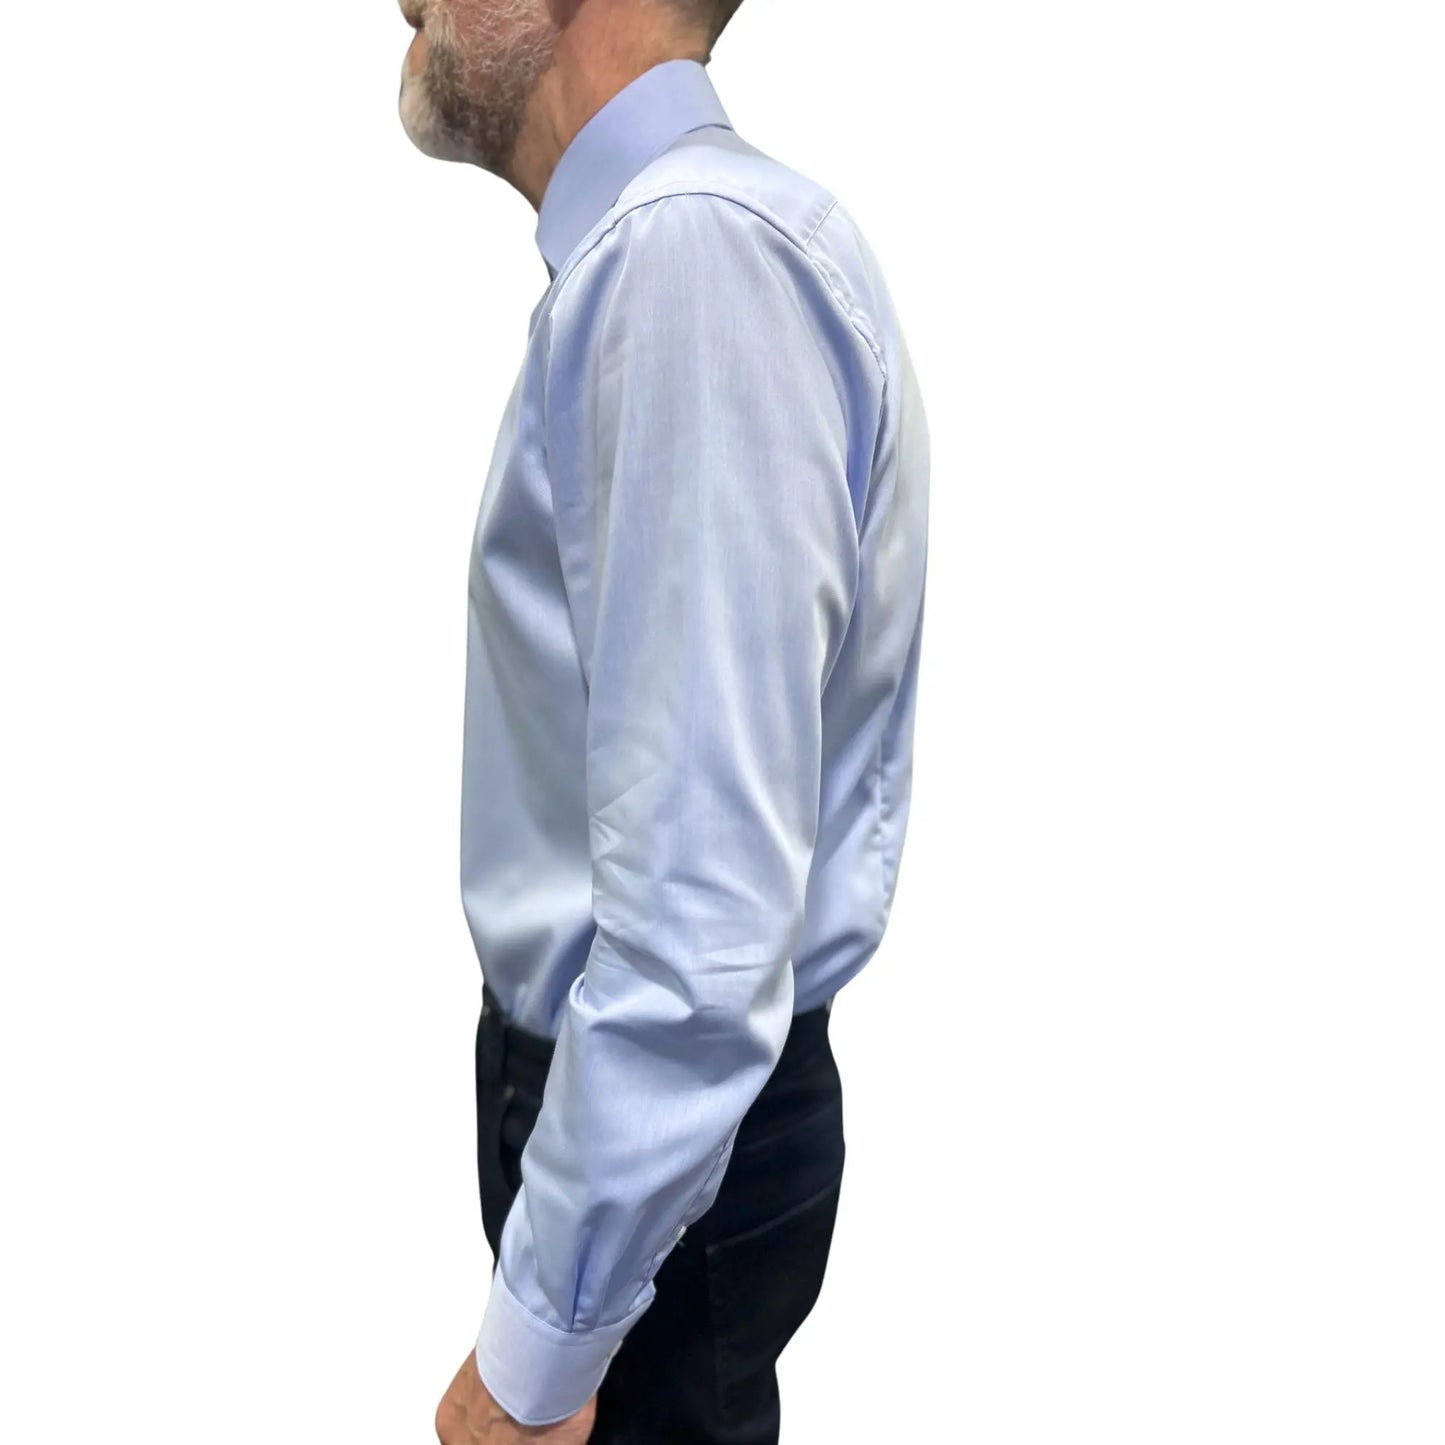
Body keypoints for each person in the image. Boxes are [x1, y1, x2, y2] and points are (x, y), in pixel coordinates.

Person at [398, 2, 930, 1440]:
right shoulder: (679, 251)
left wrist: (531, 1366)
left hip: (658, 1166)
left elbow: (698, 926)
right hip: (654, 1146)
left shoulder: (691, 260)